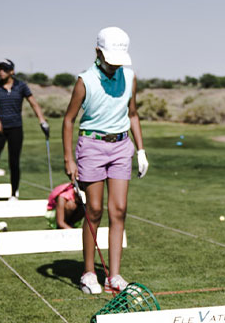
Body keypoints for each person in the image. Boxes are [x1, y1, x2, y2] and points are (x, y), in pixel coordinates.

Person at [62, 26, 149, 294]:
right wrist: (69, 159)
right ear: (98, 52)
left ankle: (114, 276)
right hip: (92, 146)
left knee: (119, 210)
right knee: (95, 210)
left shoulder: (130, 77)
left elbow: (132, 113)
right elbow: (68, 120)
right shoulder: (85, 80)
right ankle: (89, 273)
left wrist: (141, 150)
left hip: (122, 146)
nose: (114, 67)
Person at [0, 59, 49, 201]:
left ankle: (13, 193)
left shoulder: (21, 86)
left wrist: (42, 121)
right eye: (0, 69)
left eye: (5, 69)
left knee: (14, 162)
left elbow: (34, 103)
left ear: (12, 71)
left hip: (15, 128)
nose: (1, 72)